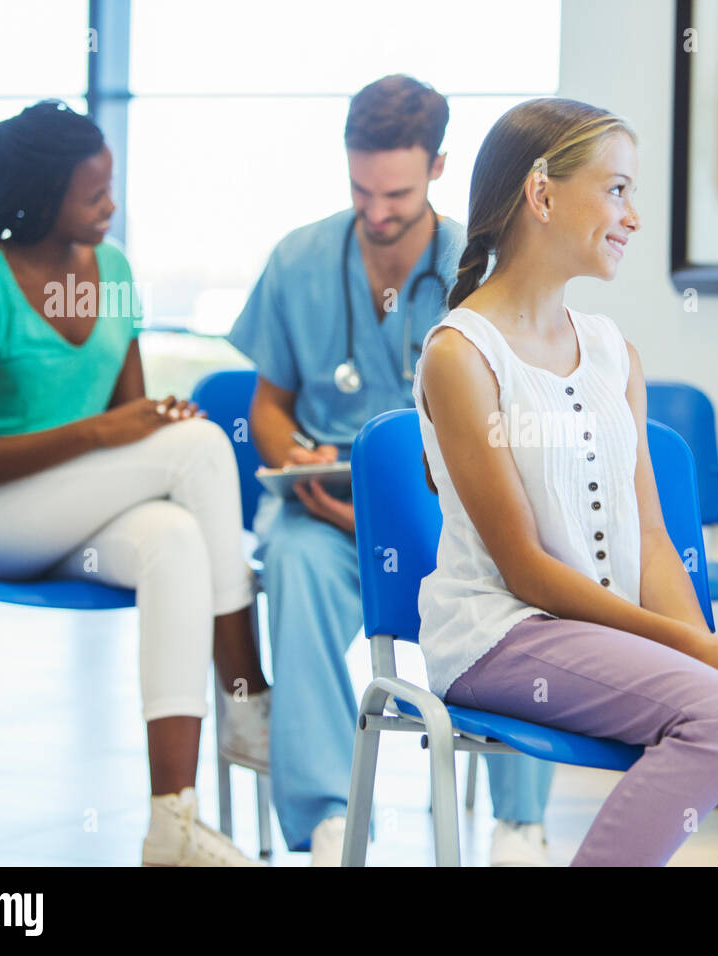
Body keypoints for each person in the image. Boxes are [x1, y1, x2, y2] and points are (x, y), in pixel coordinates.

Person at [414, 97, 718, 867]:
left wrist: (711, 647)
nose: (634, 216)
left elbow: (651, 538)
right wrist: (689, 647)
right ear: (542, 194)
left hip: (605, 632)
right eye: (617, 189)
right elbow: (524, 569)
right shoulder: (460, 355)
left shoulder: (615, 351)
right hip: (503, 634)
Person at [0, 101, 271, 866]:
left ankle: (171, 824)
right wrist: (110, 433)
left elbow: (129, 416)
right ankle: (247, 696)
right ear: (41, 200)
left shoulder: (115, 271)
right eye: (94, 194)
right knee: (202, 447)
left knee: (172, 537)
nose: (111, 206)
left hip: (59, 513)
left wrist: (141, 425)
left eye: (111, 189)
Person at [227, 75, 555, 866]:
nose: (376, 213)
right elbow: (268, 404)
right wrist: (291, 456)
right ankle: (330, 819)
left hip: (459, 517)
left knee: (531, 567)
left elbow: (516, 419)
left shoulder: (491, 267)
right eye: (360, 189)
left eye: (397, 194)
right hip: (327, 514)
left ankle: (519, 824)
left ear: (439, 167)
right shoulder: (298, 259)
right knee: (296, 562)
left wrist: (401, 504)